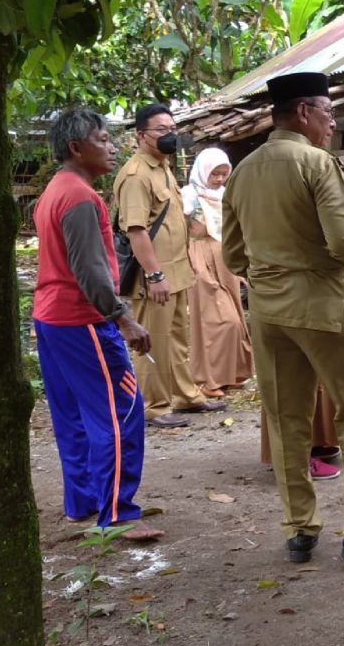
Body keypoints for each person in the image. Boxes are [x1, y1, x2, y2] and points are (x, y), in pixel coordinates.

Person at [222, 71, 344, 563]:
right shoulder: (316, 163)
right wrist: (337, 256)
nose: (332, 122)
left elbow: (233, 256)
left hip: (266, 309)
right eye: (328, 112)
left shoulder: (243, 171)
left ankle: (300, 529)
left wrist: (271, 268)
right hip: (319, 305)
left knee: (286, 419)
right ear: (304, 112)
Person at [34, 108, 164, 541]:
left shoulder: (55, 189)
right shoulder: (79, 197)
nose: (112, 147)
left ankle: (84, 502)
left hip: (51, 318)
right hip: (82, 319)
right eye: (103, 140)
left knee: (71, 414)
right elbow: (89, 269)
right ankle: (117, 513)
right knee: (119, 411)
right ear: (76, 148)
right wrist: (123, 319)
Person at [113, 103, 227, 427]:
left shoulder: (162, 167)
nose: (170, 135)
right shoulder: (135, 175)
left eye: (172, 129)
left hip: (177, 270)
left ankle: (186, 396)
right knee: (154, 340)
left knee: (177, 337)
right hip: (155, 275)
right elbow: (136, 231)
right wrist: (154, 274)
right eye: (162, 130)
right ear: (141, 135)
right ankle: (154, 406)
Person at [181, 147, 253, 397]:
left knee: (236, 317)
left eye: (224, 173)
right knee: (217, 319)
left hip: (226, 258)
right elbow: (178, 227)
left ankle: (230, 374)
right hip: (200, 257)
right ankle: (207, 379)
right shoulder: (189, 195)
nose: (220, 179)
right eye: (215, 174)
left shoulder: (225, 194)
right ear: (202, 171)